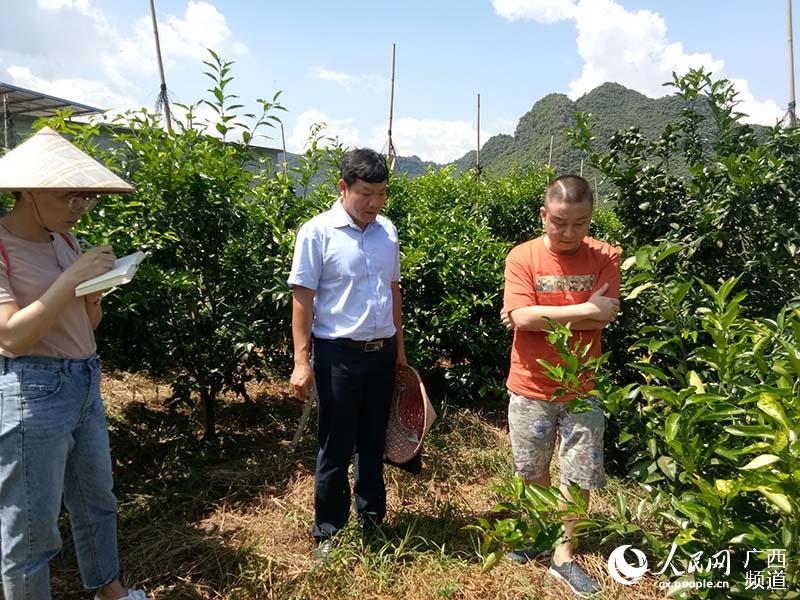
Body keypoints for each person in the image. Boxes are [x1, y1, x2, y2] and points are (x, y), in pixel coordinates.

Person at [0, 127, 148, 600]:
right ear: (27, 190)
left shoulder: (66, 241)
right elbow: (11, 335)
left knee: (95, 503)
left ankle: (112, 593)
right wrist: (71, 280)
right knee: (31, 529)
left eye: (85, 197)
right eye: (69, 196)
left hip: (83, 379)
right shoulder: (4, 247)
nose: (80, 207)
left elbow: (87, 322)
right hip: (32, 389)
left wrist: (96, 290)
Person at [501, 175, 620, 598]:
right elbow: (521, 319)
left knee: (579, 472)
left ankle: (564, 554)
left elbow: (602, 320)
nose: (570, 233)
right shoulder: (522, 257)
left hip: (583, 383)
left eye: (581, 223)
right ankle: (539, 532)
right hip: (531, 383)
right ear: (543, 215)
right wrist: (587, 306)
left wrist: (538, 312)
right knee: (532, 469)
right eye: (559, 223)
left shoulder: (606, 256)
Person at [288, 148, 407, 560]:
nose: (374, 203)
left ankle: (374, 522)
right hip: (338, 355)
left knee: (374, 442)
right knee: (336, 446)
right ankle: (328, 532)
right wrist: (302, 362)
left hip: (381, 354)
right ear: (343, 188)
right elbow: (302, 299)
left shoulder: (387, 231)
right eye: (365, 194)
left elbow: (393, 291)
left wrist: (400, 353)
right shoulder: (317, 232)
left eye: (381, 193)